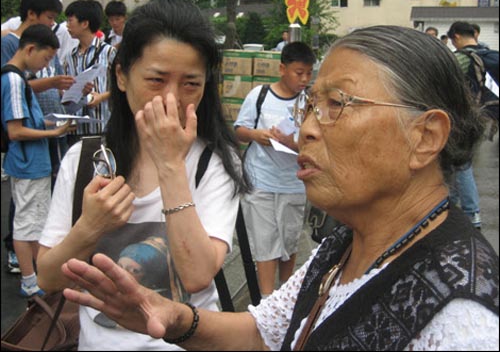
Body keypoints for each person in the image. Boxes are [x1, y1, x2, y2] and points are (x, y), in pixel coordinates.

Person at [59, 25, 499, 350]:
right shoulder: (344, 246)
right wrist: (175, 319)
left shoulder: (463, 322)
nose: (306, 128)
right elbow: (262, 334)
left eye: (337, 104)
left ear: (425, 137)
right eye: (311, 104)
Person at [36, 0, 251, 350]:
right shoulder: (84, 158)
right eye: (156, 79)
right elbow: (47, 277)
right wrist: (90, 227)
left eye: (190, 84)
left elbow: (197, 277)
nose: (172, 98)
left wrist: (170, 166)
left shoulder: (214, 162)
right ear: (121, 76)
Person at [1, 0, 75, 275]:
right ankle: (32, 279)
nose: (45, 65)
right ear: (29, 48)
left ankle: (37, 274)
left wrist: (49, 125)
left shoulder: (17, 78)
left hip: (33, 163)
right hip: (28, 163)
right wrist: (52, 133)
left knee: (32, 223)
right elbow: (16, 130)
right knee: (25, 226)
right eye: (45, 60)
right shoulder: (15, 80)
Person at [234, 41, 315, 299]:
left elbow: (316, 141)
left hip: (293, 182)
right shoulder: (259, 95)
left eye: (308, 73)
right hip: (261, 180)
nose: (304, 79)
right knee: (265, 243)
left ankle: (286, 293)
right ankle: (268, 300)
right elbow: (239, 131)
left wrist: (291, 143)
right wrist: (256, 135)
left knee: (289, 241)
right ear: (282, 68)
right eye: (298, 72)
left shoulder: (310, 103)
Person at [446, 21, 487, 229]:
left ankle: (471, 213)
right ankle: (450, 207)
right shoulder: (489, 53)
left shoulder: (460, 59)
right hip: (484, 116)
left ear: (457, 36)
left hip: (463, 117)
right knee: (458, 162)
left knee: (461, 164)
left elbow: (443, 83)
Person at [62, 0, 117, 146]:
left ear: (85, 23)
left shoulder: (109, 52)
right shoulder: (69, 57)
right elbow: (64, 90)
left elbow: (124, 83)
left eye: (70, 20)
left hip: (102, 125)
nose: (67, 25)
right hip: (76, 128)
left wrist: (102, 96)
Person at [1, 0, 79, 61]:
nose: (52, 23)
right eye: (50, 17)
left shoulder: (49, 45)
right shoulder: (7, 45)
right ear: (31, 14)